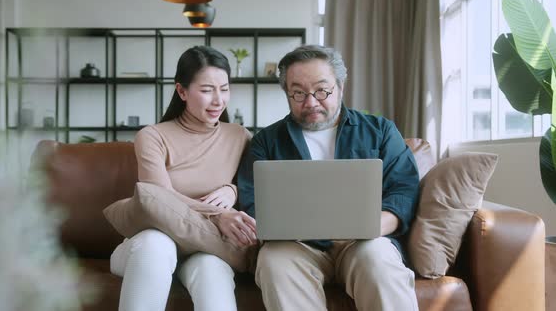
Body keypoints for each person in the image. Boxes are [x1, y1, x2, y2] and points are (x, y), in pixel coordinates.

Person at [235, 45, 420, 310]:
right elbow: (251, 202)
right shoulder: (267, 141)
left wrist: (372, 227)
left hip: (363, 242)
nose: (310, 102)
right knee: (273, 261)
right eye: (298, 93)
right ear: (287, 94)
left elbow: (404, 191)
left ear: (341, 87)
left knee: (378, 259)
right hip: (297, 247)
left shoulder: (379, 131)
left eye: (322, 90)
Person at [109, 46, 256, 311]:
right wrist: (216, 214)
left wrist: (232, 190)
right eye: (207, 89)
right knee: (157, 243)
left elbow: (253, 188)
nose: (218, 100)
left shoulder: (240, 137)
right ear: (182, 91)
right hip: (149, 243)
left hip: (205, 247)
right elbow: (160, 201)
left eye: (224, 89)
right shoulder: (152, 136)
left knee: (211, 269)